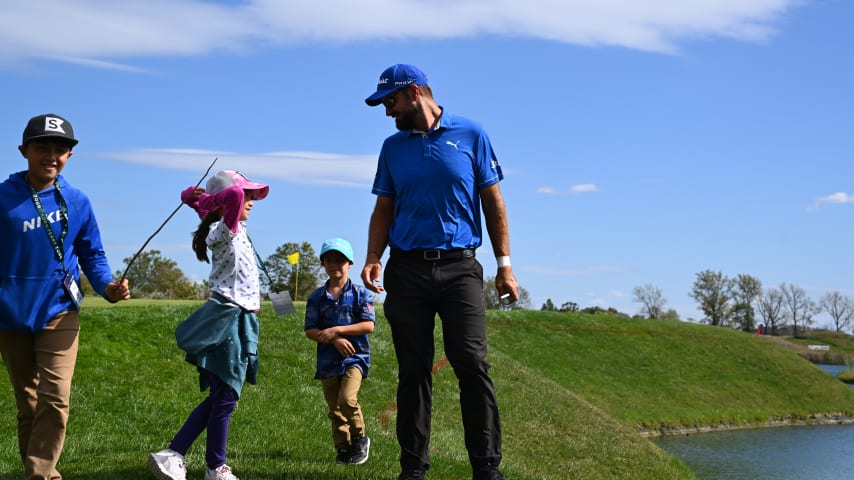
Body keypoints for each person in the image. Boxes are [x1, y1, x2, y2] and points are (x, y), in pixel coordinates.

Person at [361, 64, 520, 480]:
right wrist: (373, 255)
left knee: (471, 362)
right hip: (407, 270)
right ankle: (413, 468)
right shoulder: (392, 148)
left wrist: (504, 266)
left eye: (391, 102)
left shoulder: (471, 134)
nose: (387, 111)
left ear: (415, 93)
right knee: (413, 370)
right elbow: (383, 208)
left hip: (460, 269)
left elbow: (494, 202)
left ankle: (486, 467)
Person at [0, 113, 131, 480]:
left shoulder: (77, 201)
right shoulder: (2, 198)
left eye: (60, 150)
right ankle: (35, 471)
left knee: (55, 398)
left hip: (59, 312)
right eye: (42, 147)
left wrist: (107, 287)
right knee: (28, 403)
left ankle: (43, 474)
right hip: (10, 314)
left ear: (70, 156)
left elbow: (93, 255)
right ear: (24, 150)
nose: (51, 156)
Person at [148, 170, 269, 480]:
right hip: (227, 319)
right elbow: (232, 197)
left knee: (221, 395)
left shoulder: (230, 225)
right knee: (226, 395)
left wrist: (197, 200)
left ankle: (174, 453)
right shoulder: (223, 229)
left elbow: (188, 194)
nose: (252, 200)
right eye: (249, 194)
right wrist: (207, 199)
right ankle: (215, 467)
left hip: (238, 318)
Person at [304, 237, 375, 466]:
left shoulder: (360, 294)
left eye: (340, 261)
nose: (335, 265)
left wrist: (337, 330)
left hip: (355, 357)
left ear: (350, 264)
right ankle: (343, 449)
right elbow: (311, 330)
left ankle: (360, 437)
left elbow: (368, 325)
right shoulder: (316, 297)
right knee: (334, 409)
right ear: (323, 263)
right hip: (327, 361)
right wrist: (334, 339)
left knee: (347, 398)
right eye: (330, 260)